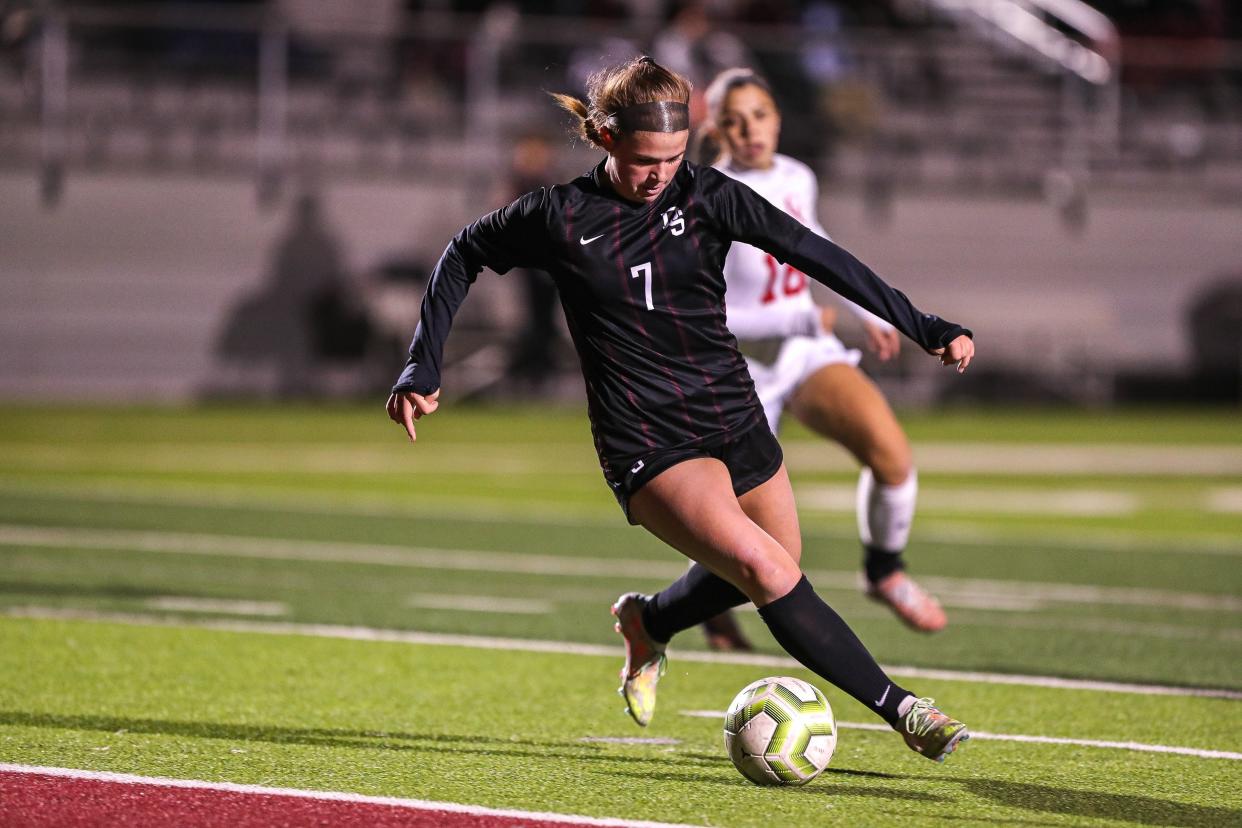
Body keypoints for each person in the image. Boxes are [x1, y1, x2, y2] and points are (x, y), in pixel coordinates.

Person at [386, 56, 974, 763]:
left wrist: (924, 324)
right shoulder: (559, 216)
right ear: (604, 137)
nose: (660, 174)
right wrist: (424, 360)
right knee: (767, 571)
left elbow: (819, 256)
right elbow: (461, 254)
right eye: (643, 160)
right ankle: (904, 710)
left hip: (732, 408)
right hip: (646, 433)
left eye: (672, 157)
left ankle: (648, 619)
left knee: (776, 558)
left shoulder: (708, 195)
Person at [691, 68, 948, 654]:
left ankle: (884, 571)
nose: (749, 129)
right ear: (718, 131)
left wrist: (872, 309)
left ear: (777, 117)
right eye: (733, 121)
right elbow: (710, 318)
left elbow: (813, 239)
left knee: (891, 453)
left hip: (803, 355)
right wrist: (807, 317)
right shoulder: (704, 194)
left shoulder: (796, 176)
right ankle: (698, 612)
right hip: (738, 370)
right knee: (740, 526)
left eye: (759, 115)